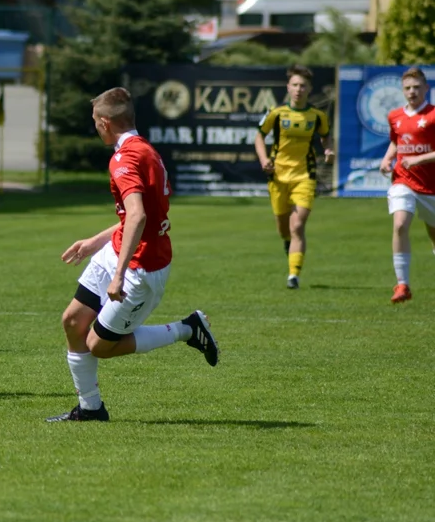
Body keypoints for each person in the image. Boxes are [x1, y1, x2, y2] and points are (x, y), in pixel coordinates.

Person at [48, 87, 218, 423]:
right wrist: (95, 242)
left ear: (106, 123)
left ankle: (187, 328)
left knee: (99, 345)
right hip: (119, 251)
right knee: (72, 321)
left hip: (141, 267)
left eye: (96, 122)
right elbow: (134, 218)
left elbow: (138, 216)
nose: (95, 127)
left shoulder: (125, 157)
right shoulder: (144, 150)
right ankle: (90, 409)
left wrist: (118, 274)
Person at [253, 65, 334, 289]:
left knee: (297, 225)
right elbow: (259, 137)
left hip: (305, 176)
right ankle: (288, 243)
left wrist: (328, 150)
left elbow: (327, 138)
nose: (299, 89)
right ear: (288, 87)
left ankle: (293, 275)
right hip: (278, 177)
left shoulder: (317, 116)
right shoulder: (276, 113)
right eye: (295, 85)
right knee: (283, 227)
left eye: (303, 86)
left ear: (310, 89)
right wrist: (263, 161)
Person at [378, 66, 435, 304]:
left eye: (417, 87)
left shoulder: (433, 115)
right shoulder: (395, 116)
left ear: (426, 88)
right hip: (404, 180)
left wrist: (418, 159)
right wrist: (388, 157)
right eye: (408, 88)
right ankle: (402, 285)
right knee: (400, 224)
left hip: (431, 186)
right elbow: (397, 140)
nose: (412, 92)